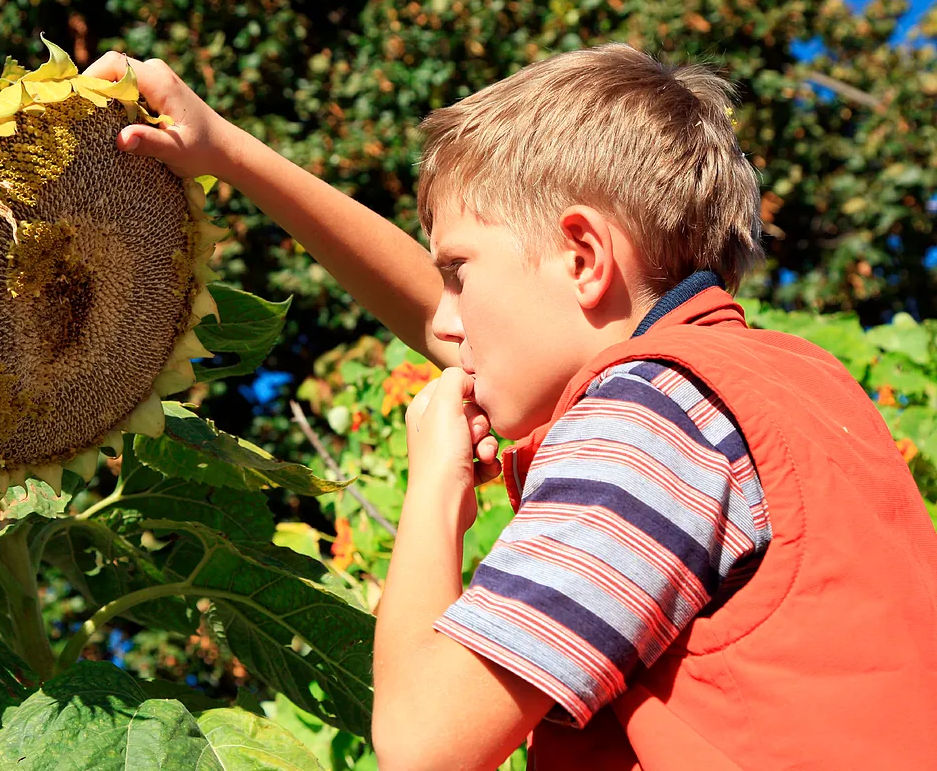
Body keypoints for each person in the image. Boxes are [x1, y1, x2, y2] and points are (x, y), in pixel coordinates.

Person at [84, 43, 937, 770]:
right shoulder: (776, 383)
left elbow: (425, 741)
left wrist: (435, 493)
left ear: (582, 256)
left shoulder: (648, 417)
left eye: (459, 270)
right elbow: (452, 323)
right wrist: (228, 153)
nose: (448, 320)